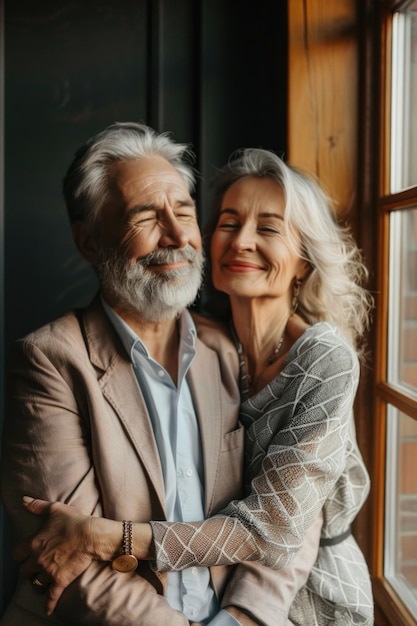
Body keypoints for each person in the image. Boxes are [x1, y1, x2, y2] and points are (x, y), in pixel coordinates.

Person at [12, 147, 375, 625]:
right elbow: (65, 557)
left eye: (184, 212)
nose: (177, 234)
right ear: (90, 243)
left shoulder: (246, 351)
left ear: (304, 262)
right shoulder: (52, 359)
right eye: (146, 216)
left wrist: (238, 618)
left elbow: (291, 522)